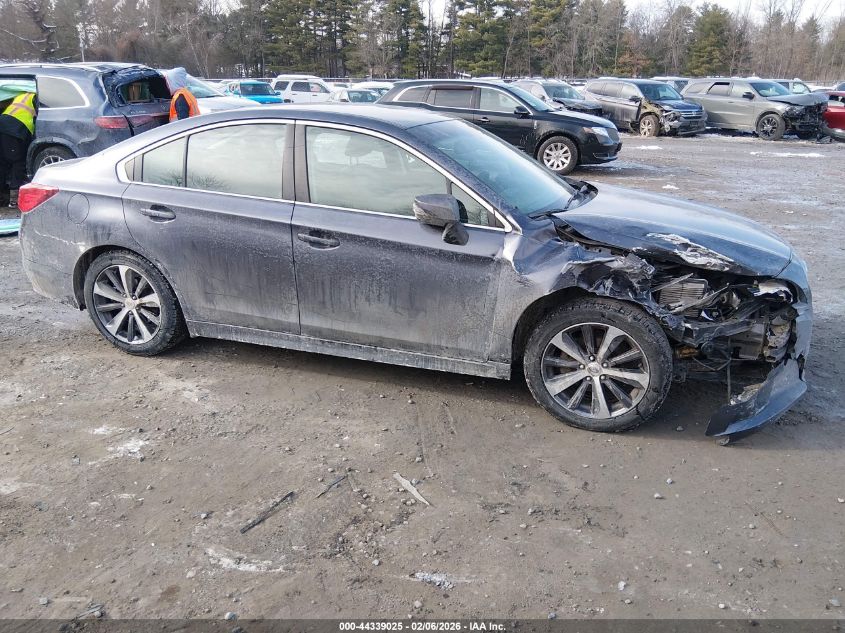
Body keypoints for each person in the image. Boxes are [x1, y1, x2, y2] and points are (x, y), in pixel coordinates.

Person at [0, 91, 36, 208]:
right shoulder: (36, 97)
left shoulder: (20, 94)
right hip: (14, 129)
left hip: (3, 124)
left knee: (2, 163)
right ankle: (14, 200)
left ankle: (2, 197)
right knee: (17, 162)